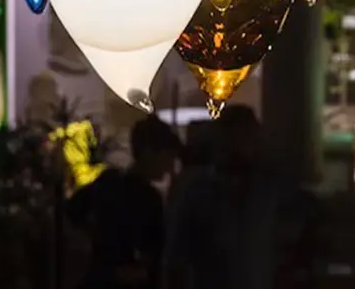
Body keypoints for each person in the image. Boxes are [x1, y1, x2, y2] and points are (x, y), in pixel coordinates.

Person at [164, 105, 312, 289]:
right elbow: (176, 259)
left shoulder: (269, 188)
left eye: (247, 137)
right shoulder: (198, 190)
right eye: (237, 137)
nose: (241, 144)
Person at [67, 114, 181, 289]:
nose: (170, 165)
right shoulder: (149, 199)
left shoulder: (108, 182)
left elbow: (71, 214)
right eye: (168, 156)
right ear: (149, 153)